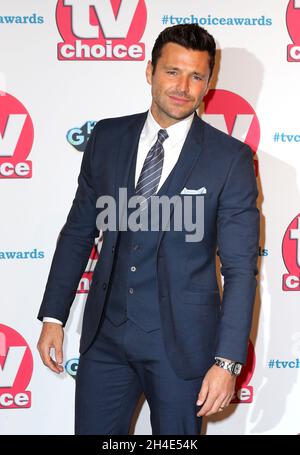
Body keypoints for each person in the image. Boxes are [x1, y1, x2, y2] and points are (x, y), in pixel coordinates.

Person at [37, 24, 259, 435]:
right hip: (104, 339)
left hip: (184, 349)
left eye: (197, 76)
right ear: (150, 71)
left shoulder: (230, 160)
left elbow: (241, 269)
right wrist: (54, 315)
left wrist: (226, 361)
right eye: (173, 72)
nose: (183, 87)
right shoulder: (106, 137)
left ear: (208, 84)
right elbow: (78, 231)